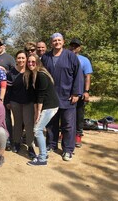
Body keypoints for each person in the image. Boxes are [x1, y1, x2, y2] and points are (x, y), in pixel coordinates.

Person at [41, 33, 83, 161]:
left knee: (68, 125)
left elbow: (78, 75)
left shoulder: (71, 56)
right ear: (51, 43)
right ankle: (51, 144)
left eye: (59, 40)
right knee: (51, 123)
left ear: (63, 42)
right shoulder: (46, 57)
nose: (57, 42)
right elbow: (41, 76)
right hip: (51, 97)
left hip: (68, 97)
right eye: (54, 40)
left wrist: (76, 93)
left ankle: (68, 149)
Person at [24, 54, 59, 166]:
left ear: (38, 62)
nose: (30, 64)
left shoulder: (41, 75)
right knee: (38, 129)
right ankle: (44, 153)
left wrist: (38, 113)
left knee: (37, 130)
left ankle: (43, 158)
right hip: (45, 106)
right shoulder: (33, 75)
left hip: (50, 106)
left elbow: (41, 96)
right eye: (29, 62)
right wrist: (36, 113)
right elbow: (35, 96)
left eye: (33, 62)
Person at [5, 51, 35, 159]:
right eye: (19, 58)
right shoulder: (11, 73)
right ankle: (17, 143)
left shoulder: (30, 71)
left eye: (23, 58)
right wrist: (7, 101)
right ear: (16, 59)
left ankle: (30, 146)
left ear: (26, 59)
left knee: (28, 124)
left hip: (29, 102)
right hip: (15, 102)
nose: (21, 60)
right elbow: (8, 89)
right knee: (17, 123)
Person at [69, 38, 93, 148]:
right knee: (65, 113)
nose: (74, 47)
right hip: (67, 91)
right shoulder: (65, 57)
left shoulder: (84, 60)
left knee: (79, 114)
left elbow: (87, 77)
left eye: (76, 46)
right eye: (72, 45)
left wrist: (86, 91)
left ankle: (78, 135)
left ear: (79, 48)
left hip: (79, 91)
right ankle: (64, 133)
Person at [0, 39, 15, 150]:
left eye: (0, 44)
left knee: (6, 117)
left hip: (5, 92)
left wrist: (5, 71)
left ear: (4, 46)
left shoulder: (9, 58)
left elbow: (15, 73)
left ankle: (8, 140)